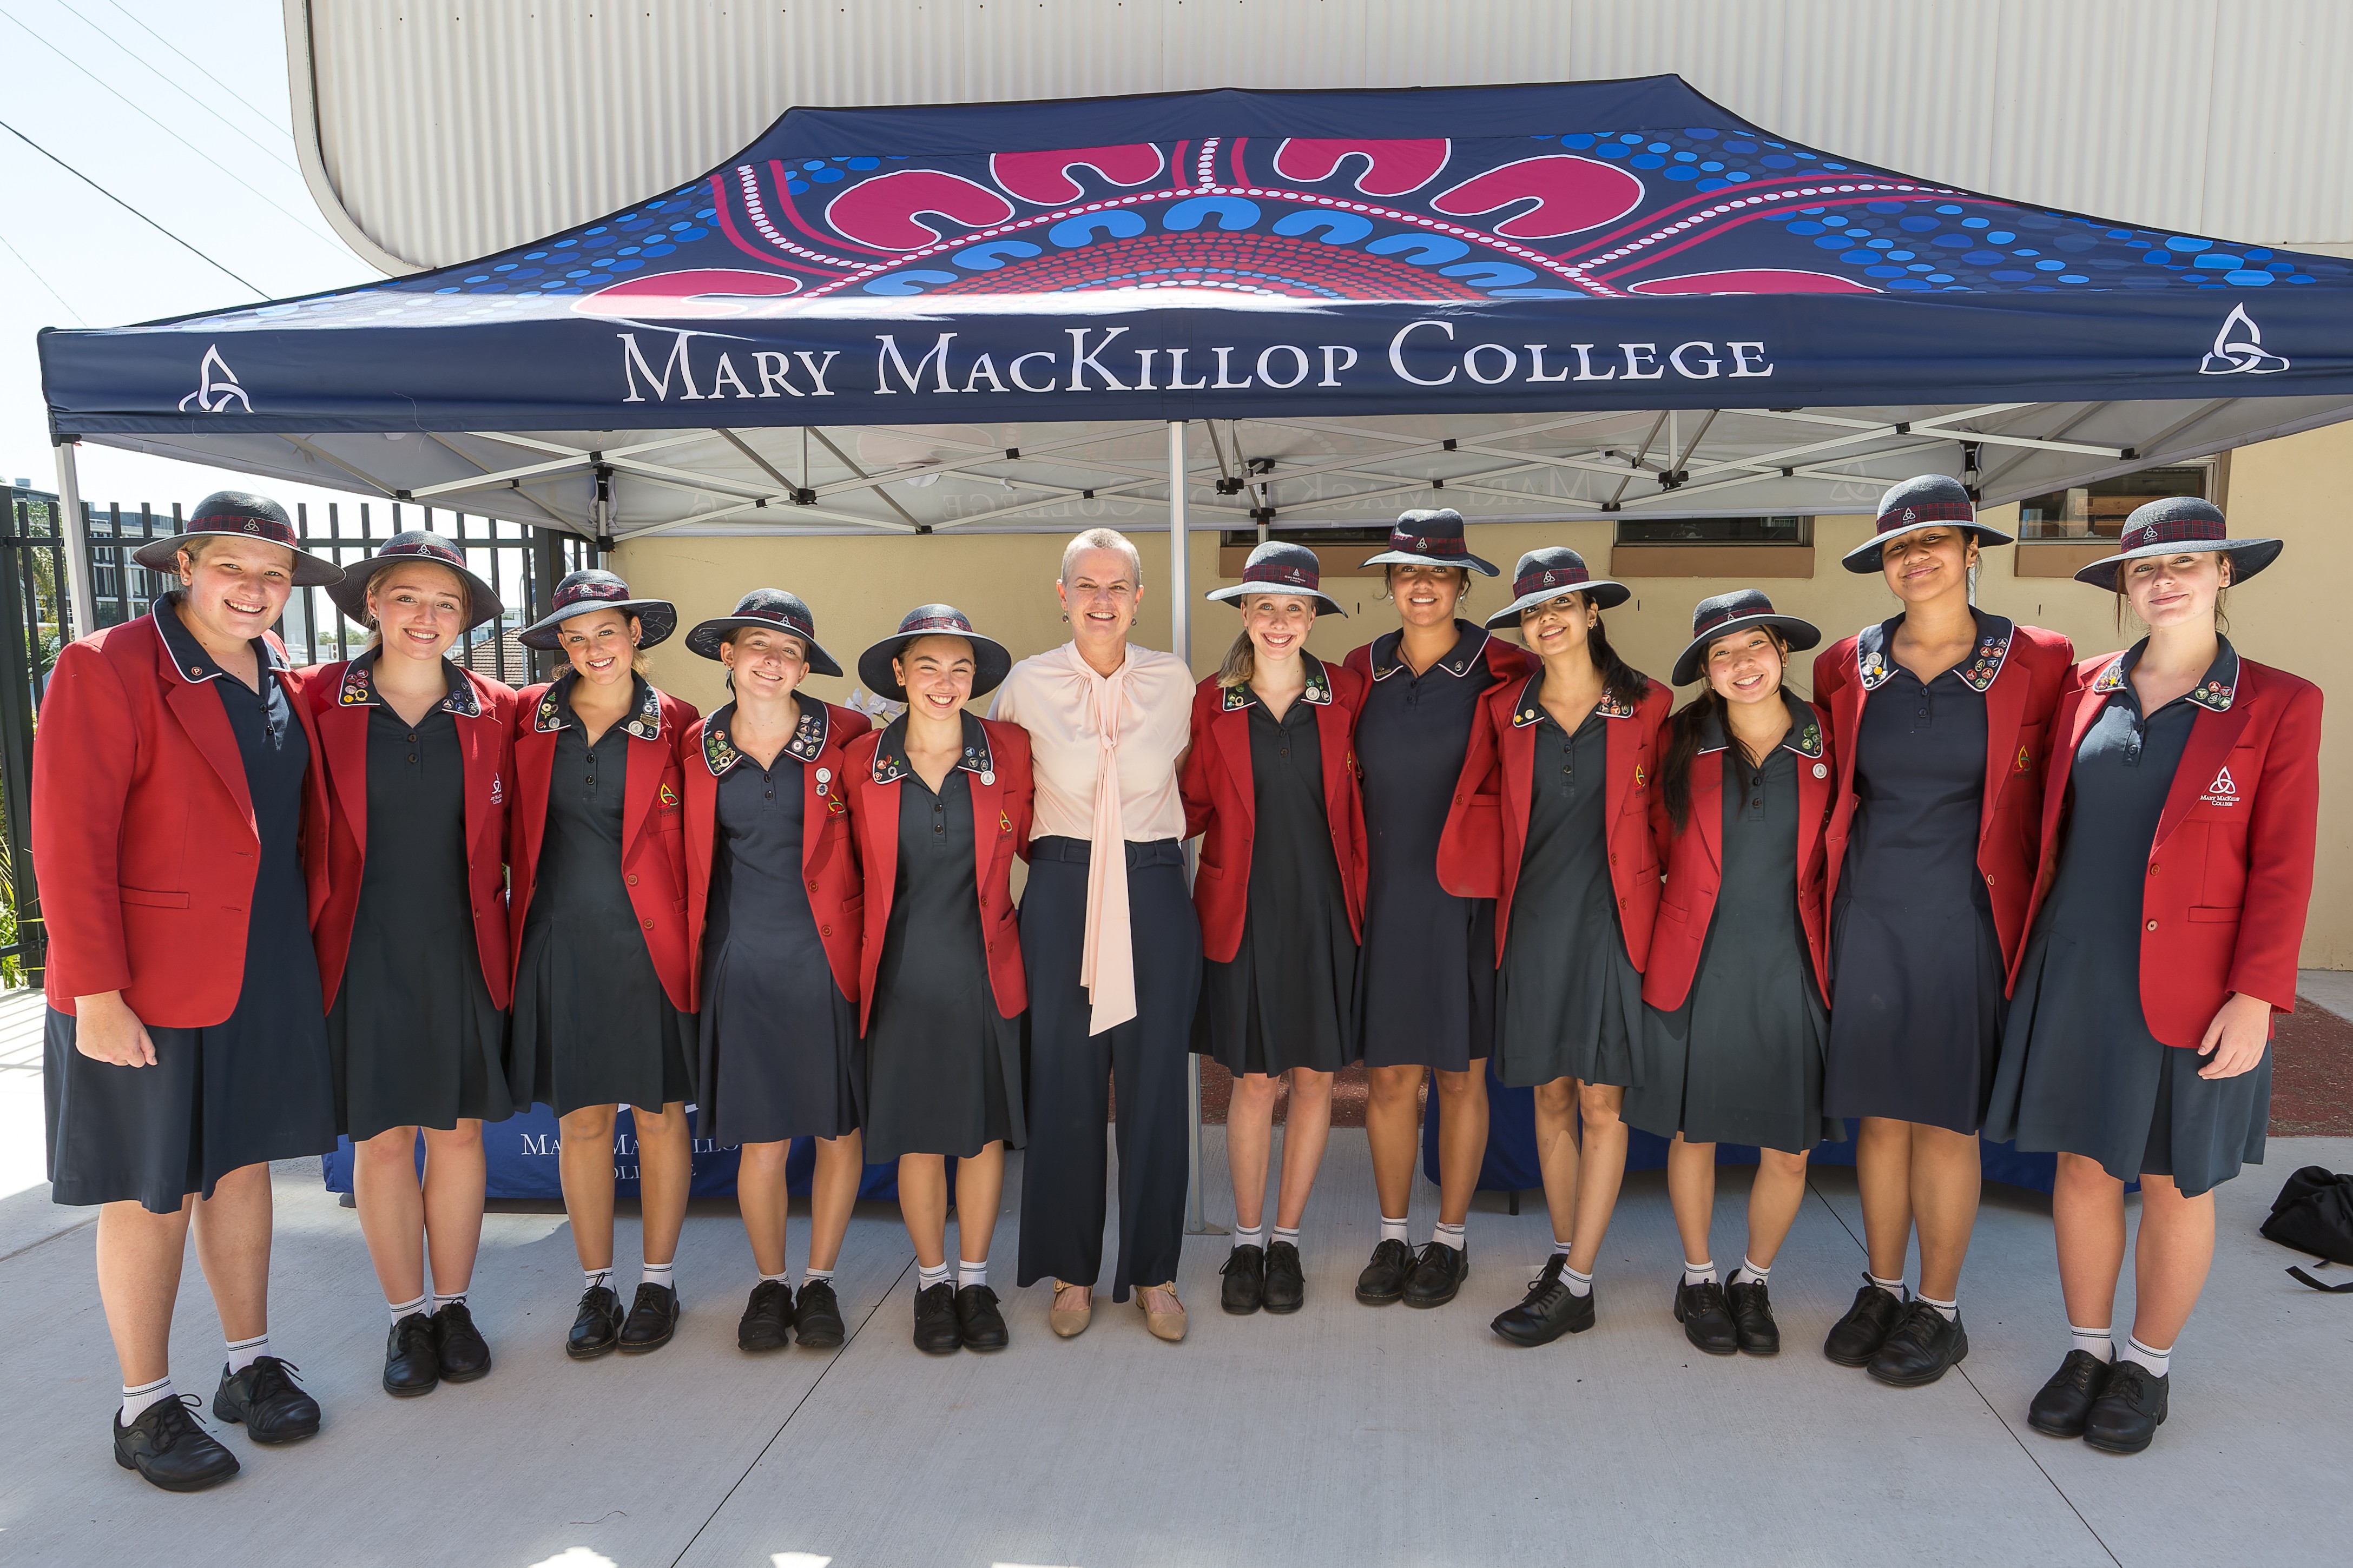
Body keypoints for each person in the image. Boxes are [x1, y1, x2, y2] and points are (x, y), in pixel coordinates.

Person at [1987, 499, 2318, 1455]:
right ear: (2125, 590)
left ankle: (2146, 1365)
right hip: (2077, 968)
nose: (2163, 580)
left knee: (2175, 1182)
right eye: (2143, 569)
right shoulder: (2085, 687)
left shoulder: (2279, 702)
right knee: (2084, 1167)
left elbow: (2283, 865)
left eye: (2185, 563)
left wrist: (2257, 995)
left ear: (2223, 575)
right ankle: (2086, 1351)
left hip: (2202, 987)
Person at [37, 492, 341, 1490]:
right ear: (186, 570)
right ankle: (143, 1406)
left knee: (243, 1168)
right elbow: (68, 843)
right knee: (150, 1189)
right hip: (146, 985)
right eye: (233, 569)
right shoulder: (108, 666)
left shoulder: (280, 681)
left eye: (273, 576)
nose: (253, 591)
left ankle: (248, 1366)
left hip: (262, 971)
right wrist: (96, 993)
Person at [1815, 474, 2075, 1387]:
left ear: (1972, 552)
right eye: (1896, 547)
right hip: (1867, 912)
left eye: (1935, 542)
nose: (1915, 558)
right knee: (1877, 1121)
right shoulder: (1845, 663)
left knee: (1944, 1125)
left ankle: (1938, 1307)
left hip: (1966, 916)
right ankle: (1881, 1286)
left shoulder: (2041, 657)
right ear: (1882, 567)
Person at [1438, 550, 1667, 1347]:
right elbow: (1473, 803)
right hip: (1530, 924)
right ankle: (1570, 1260)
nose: (1548, 620)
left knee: (1603, 1103)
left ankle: (1574, 1282)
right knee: (1549, 1098)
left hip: (1613, 927)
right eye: (1533, 611)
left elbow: (1671, 820)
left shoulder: (1650, 705)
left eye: (1562, 604)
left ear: (1592, 611)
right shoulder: (1504, 709)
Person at [308, 532, 515, 1398]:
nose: (425, 618)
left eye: (446, 604)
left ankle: (454, 1305)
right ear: (371, 606)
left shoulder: (499, 710)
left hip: (464, 948)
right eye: (406, 598)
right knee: (384, 1140)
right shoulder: (316, 698)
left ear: (464, 621)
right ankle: (406, 1317)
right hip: (359, 951)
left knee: (458, 1132)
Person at [991, 528, 1200, 1343]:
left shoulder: (1173, 679)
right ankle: (1072, 1274)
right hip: (1065, 882)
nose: (1103, 600)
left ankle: (1153, 1274)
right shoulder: (1026, 683)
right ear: (1063, 593)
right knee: (1065, 1088)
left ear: (1139, 598)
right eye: (1088, 585)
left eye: (1118, 586)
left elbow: (1198, 781)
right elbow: (1004, 792)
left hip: (1150, 885)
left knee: (1153, 1092)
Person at [1628, 590, 1840, 1358]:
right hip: (1697, 962)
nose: (1740, 665)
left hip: (1793, 962)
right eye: (1721, 655)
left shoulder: (1828, 735)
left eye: (1754, 648)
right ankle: (1697, 1277)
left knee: (1789, 1147)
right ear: (1705, 673)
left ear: (1781, 654)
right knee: (1695, 1133)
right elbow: (1648, 838)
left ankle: (1753, 1279)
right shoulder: (1679, 739)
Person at [508, 569, 700, 1360]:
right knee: (582, 1123)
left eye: (607, 633)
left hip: (652, 946)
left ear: (636, 638)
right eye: (576, 636)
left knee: (658, 1117)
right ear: (561, 646)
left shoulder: (681, 723)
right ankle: (597, 1286)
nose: (593, 649)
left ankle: (657, 1281)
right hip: (562, 945)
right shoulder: (527, 720)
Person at [1342, 508, 1530, 1310]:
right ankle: (1392, 1235)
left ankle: (1448, 1240)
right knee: (1388, 1078)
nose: (1422, 586)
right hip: (1381, 897)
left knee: (1459, 1076)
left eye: (1439, 573)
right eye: (1407, 572)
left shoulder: (1506, 666)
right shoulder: (1357, 668)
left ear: (1462, 584)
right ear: (1389, 583)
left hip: (1466, 902)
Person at [680, 591, 871, 1353]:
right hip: (742, 964)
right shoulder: (694, 748)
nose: (772, 662)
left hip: (830, 962)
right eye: (757, 645)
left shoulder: (848, 735)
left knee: (834, 1132)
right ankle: (770, 1284)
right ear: (727, 655)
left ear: (805, 667)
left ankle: (819, 1280)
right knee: (760, 1142)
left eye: (789, 651)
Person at [1181, 544, 1367, 1316]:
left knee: (1317, 1076)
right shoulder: (1209, 702)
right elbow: (1186, 804)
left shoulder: (1349, 695)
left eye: (1296, 608)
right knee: (1254, 1081)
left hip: (1329, 909)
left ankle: (1286, 1240)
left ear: (1314, 617)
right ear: (1245, 616)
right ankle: (1245, 1241)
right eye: (1265, 607)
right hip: (1243, 911)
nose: (1281, 622)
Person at [843, 607, 1033, 1353]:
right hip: (895, 974)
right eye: (927, 666)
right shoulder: (864, 759)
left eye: (959, 669)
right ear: (899, 673)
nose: (944, 683)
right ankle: (931, 1284)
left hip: (986, 970)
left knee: (981, 1136)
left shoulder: (1009, 750)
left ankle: (976, 1280)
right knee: (921, 1139)